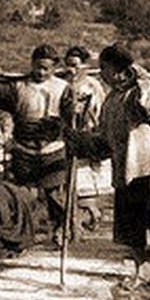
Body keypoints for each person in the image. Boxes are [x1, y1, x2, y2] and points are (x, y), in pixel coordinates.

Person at [66, 44, 150, 288]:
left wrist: (140, 78)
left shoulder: (145, 89)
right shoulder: (111, 99)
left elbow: (145, 106)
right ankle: (140, 270)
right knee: (131, 225)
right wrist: (78, 140)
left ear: (118, 69)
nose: (101, 73)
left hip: (149, 166)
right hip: (124, 168)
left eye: (105, 68)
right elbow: (103, 141)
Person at [0, 44, 70, 236]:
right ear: (32, 64)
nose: (41, 72)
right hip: (24, 148)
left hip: (52, 148)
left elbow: (72, 117)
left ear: (54, 68)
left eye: (46, 68)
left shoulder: (63, 88)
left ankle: (61, 229)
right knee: (21, 194)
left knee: (54, 194)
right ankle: (23, 232)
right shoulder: (18, 86)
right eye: (38, 67)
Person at [62, 45, 105, 234]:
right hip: (66, 135)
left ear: (84, 66)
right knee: (67, 180)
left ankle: (92, 213)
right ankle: (71, 222)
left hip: (86, 134)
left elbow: (100, 112)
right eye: (68, 65)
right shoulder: (62, 84)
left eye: (75, 66)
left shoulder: (92, 86)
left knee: (84, 178)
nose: (72, 70)